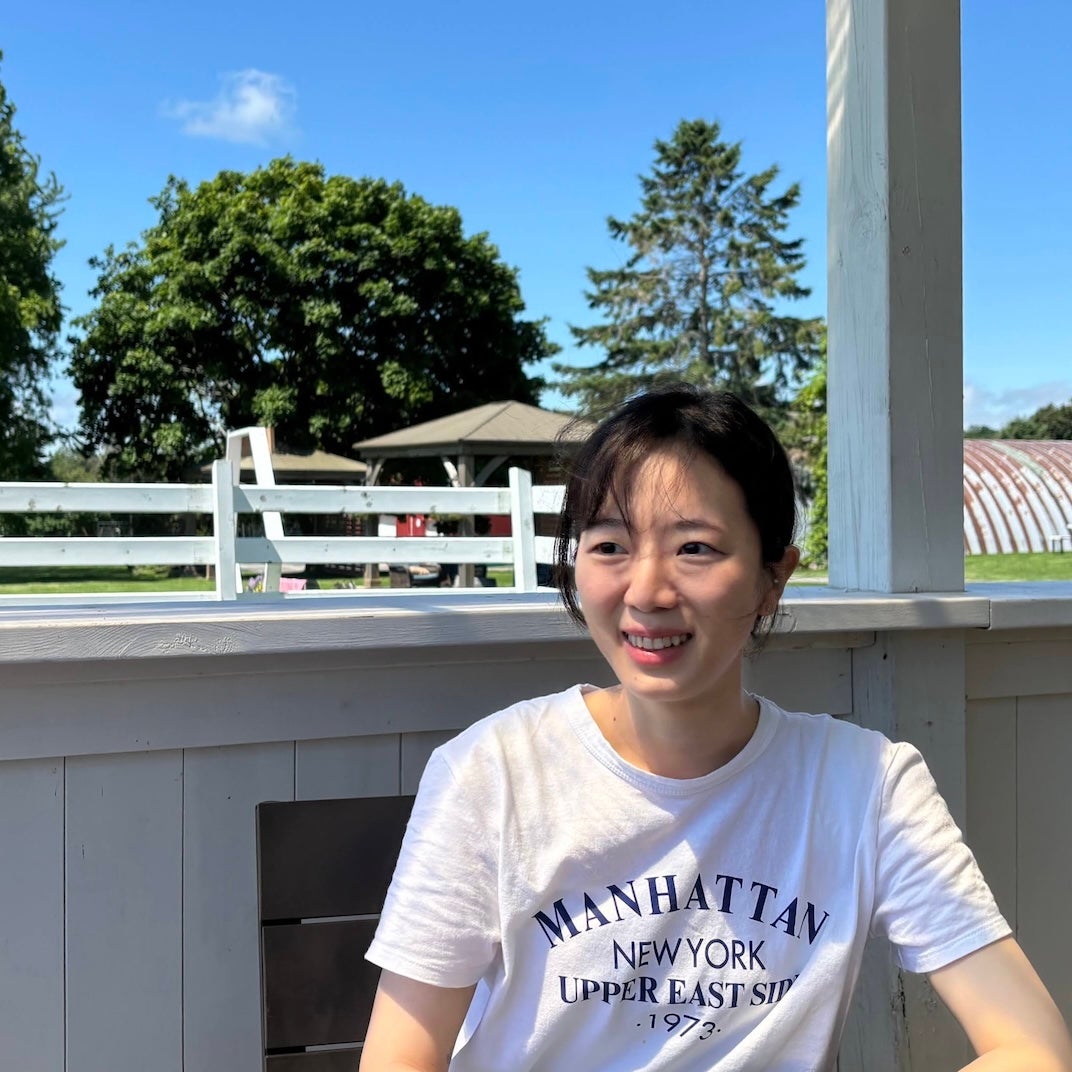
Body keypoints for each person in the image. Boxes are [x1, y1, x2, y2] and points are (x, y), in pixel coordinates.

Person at [361, 386, 1072, 1071]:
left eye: (695, 548)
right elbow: (400, 1057)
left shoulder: (866, 786)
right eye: (609, 545)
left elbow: (1034, 1046)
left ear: (772, 579)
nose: (646, 591)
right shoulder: (493, 773)